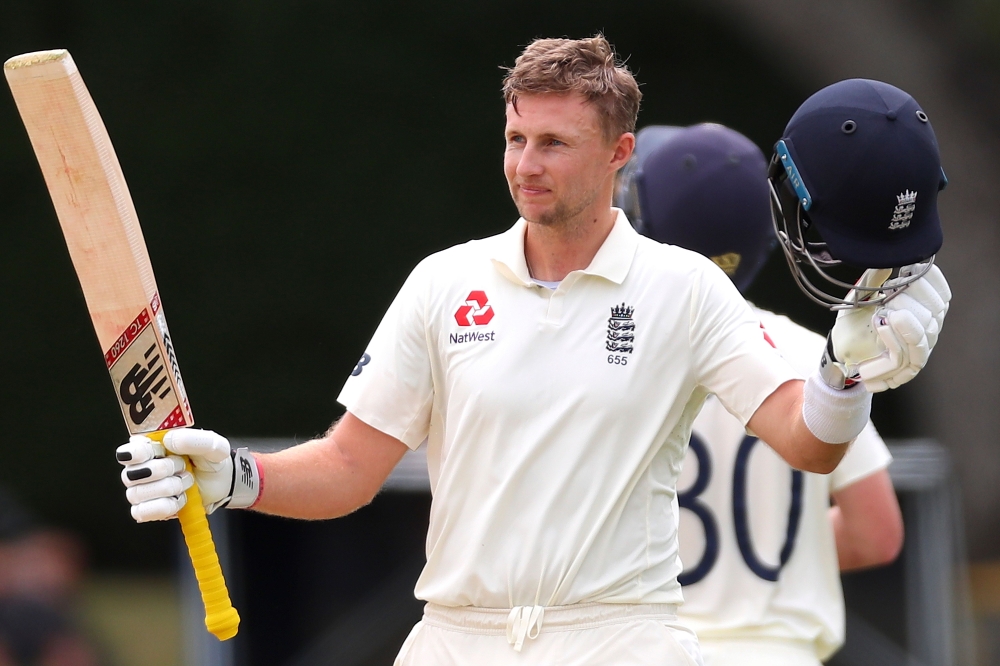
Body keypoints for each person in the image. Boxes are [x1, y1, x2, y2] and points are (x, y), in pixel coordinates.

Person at [115, 40, 949, 665]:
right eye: (516, 139)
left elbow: (809, 441)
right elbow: (347, 469)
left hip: (620, 637)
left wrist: (845, 371)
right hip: (455, 637)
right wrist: (232, 474)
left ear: (619, 155)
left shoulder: (685, 288)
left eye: (554, 143)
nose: (525, 165)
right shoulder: (444, 282)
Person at [615, 122, 905, 666]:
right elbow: (875, 533)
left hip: (648, 648)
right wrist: (781, 551)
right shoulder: (810, 351)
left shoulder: (613, 355)